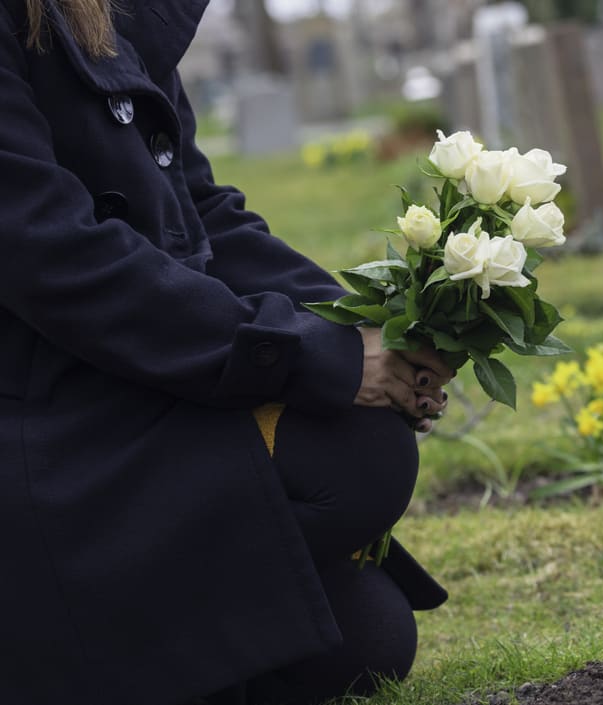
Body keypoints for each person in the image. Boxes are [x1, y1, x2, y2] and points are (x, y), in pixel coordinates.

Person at [0, 1, 454, 703]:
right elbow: (53, 256)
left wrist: (370, 330)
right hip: (41, 420)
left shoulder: (99, 12)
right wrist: (313, 357)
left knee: (368, 636)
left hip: (110, 382)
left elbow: (201, 210)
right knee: (360, 460)